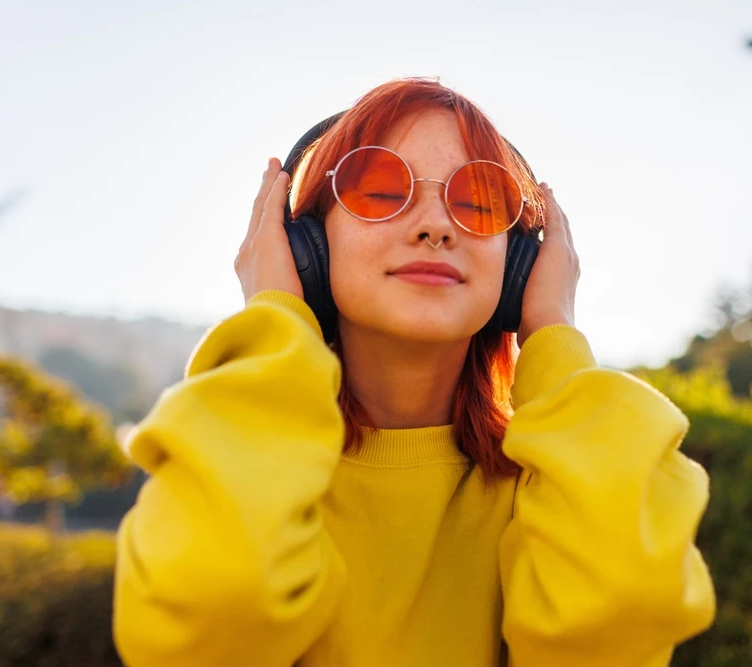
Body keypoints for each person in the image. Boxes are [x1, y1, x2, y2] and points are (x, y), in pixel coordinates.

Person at [112, 77, 715, 667]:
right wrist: (276, 310)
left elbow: (618, 616)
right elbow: (209, 618)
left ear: (520, 265)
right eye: (377, 191)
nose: (436, 225)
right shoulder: (257, 465)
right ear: (306, 246)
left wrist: (551, 329)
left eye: (478, 203)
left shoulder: (555, 484)